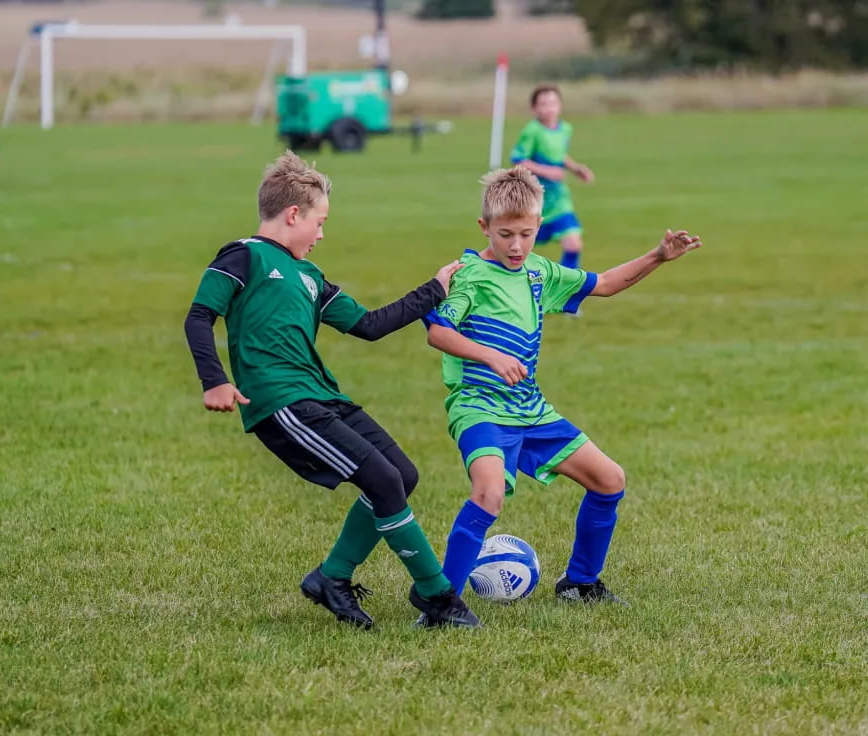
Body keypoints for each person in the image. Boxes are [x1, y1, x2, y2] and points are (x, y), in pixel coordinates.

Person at [184, 151, 480, 629]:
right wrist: (214, 380)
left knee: (401, 476)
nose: (322, 234)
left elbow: (368, 324)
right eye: (319, 222)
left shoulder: (310, 276)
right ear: (293, 214)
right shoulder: (242, 255)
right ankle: (439, 597)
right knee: (382, 482)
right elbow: (199, 317)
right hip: (283, 402)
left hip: (323, 396)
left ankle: (331, 578)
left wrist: (436, 289)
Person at [423, 166, 701, 612]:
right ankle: (441, 605)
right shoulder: (469, 275)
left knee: (610, 480)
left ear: (538, 228)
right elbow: (438, 332)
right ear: (484, 228)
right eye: (506, 234)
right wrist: (490, 356)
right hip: (480, 409)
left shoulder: (539, 272)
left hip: (530, 410)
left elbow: (605, 284)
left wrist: (657, 256)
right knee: (489, 492)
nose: (516, 246)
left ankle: (579, 583)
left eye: (527, 234)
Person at [510, 84, 591, 269]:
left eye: (553, 103)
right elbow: (518, 160)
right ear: (534, 108)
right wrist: (548, 172)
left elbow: (558, 155)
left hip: (559, 199)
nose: (550, 108)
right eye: (544, 104)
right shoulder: (532, 131)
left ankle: (567, 285)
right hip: (534, 201)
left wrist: (576, 168)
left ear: (560, 106)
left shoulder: (565, 129)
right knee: (517, 249)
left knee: (574, 243)